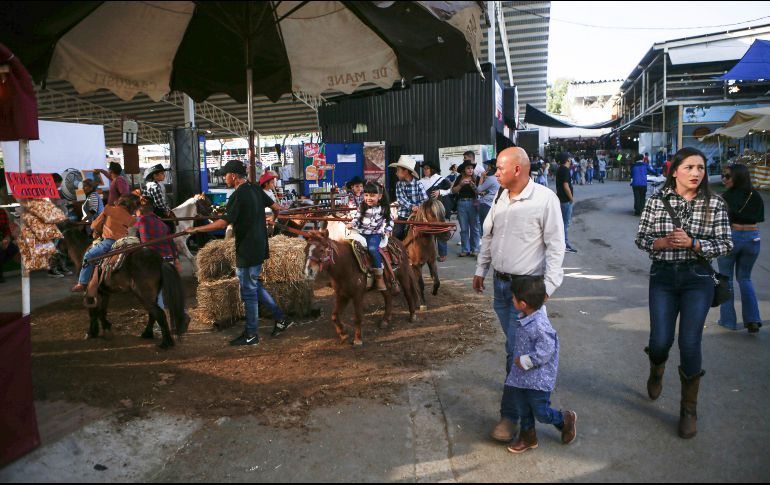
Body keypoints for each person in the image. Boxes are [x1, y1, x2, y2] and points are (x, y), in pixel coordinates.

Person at [635, 147, 733, 439]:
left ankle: (688, 409)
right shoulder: (655, 201)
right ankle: (657, 369)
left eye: (700, 168)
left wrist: (695, 244)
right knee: (660, 340)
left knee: (690, 342)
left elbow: (726, 243)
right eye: (689, 167)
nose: (695, 173)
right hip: (663, 278)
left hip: (698, 279)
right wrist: (662, 242)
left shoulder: (714, 203)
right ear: (674, 170)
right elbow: (641, 238)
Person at [473, 147, 565, 443]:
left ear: (517, 170)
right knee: (514, 351)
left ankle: (511, 417)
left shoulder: (544, 199)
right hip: (502, 290)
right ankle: (528, 411)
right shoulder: (500, 196)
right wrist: (480, 269)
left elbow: (556, 246)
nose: (494, 173)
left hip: (526, 292)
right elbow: (489, 236)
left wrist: (547, 289)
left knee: (517, 354)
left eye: (499, 168)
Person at [186, 160, 293, 344]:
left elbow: (223, 223)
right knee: (255, 285)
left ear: (234, 176)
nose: (224, 178)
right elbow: (276, 208)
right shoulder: (254, 188)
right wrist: (272, 223)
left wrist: (196, 230)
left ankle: (251, 334)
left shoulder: (238, 195)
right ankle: (281, 318)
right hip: (260, 246)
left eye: (225, 175)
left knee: (249, 292)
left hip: (247, 249)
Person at [501, 276, 577, 454]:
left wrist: (526, 360)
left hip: (538, 379)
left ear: (523, 303)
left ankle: (564, 419)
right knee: (522, 406)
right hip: (521, 376)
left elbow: (546, 350)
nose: (511, 300)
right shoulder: (527, 316)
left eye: (513, 298)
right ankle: (528, 437)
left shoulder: (540, 325)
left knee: (541, 412)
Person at [717, 163, 764, 333]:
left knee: (726, 279)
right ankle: (752, 320)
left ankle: (728, 321)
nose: (724, 179)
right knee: (745, 279)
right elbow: (759, 217)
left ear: (738, 177)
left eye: (728, 176)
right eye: (724, 175)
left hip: (732, 237)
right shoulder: (756, 196)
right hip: (753, 238)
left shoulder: (725, 197)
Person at [71, 194, 139, 293]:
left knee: (89, 255)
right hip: (128, 242)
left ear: (120, 201)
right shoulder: (131, 218)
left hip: (110, 241)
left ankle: (82, 282)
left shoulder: (108, 209)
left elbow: (94, 226)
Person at [347, 182, 394, 291]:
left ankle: (379, 276)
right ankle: (357, 272)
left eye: (372, 195)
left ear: (380, 196)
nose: (368, 198)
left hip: (374, 234)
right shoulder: (362, 206)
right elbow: (357, 219)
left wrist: (387, 230)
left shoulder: (384, 208)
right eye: (366, 195)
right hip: (360, 233)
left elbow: (390, 221)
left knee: (373, 249)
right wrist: (352, 224)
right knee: (350, 246)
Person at [389, 156, 427, 241]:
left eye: (398, 170)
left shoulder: (418, 184)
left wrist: (418, 207)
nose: (396, 173)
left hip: (418, 216)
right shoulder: (398, 184)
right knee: (397, 234)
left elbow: (425, 199)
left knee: (425, 235)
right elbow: (400, 199)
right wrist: (411, 207)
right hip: (403, 215)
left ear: (405, 171)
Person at [419, 161, 451, 262]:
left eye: (427, 168)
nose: (425, 170)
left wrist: (440, 192)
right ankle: (429, 253)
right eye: (424, 168)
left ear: (432, 169)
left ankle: (442, 254)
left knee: (440, 229)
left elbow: (450, 190)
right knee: (427, 230)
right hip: (426, 209)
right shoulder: (420, 181)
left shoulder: (440, 179)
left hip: (438, 208)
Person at [451, 160, 480, 257]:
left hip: (473, 202)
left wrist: (473, 186)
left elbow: (480, 193)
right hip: (461, 203)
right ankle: (465, 249)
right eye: (468, 168)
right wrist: (461, 185)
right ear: (464, 170)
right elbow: (453, 191)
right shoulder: (459, 178)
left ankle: (475, 249)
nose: (471, 170)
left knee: (475, 228)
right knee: (463, 228)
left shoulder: (477, 178)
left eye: (472, 168)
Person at [555, 153, 577, 254]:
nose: (571, 159)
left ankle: (562, 243)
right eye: (570, 158)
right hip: (565, 200)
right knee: (565, 224)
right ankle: (564, 245)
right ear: (567, 160)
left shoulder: (560, 169)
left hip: (561, 199)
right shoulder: (565, 170)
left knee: (562, 223)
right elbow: (565, 185)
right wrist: (571, 198)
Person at [143, 164, 175, 233]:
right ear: (155, 175)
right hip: (155, 211)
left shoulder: (148, 184)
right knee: (171, 225)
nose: (164, 175)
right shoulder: (155, 186)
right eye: (162, 173)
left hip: (147, 210)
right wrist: (168, 211)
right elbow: (160, 204)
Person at [477, 158, 500, 228]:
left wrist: (482, 176)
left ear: (492, 167)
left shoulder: (491, 178)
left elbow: (479, 189)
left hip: (486, 205)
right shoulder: (499, 178)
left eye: (488, 166)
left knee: (484, 228)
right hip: (495, 205)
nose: (487, 168)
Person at [0, 207, 20, 284]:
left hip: (3, 240)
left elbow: (6, 229)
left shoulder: (1, 211)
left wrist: (7, 239)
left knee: (13, 248)